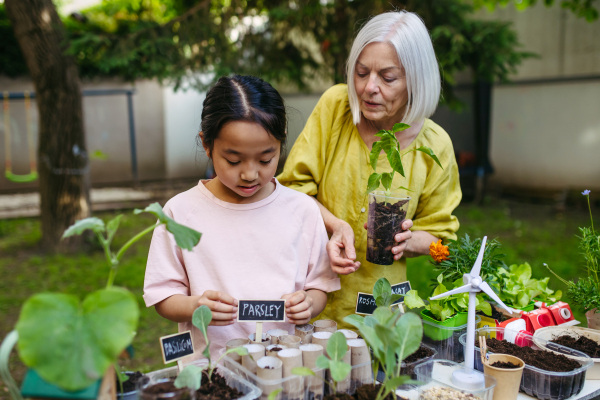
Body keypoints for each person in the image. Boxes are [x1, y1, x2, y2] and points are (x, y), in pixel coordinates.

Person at [278, 11, 462, 327]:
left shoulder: (436, 145)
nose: (369, 88)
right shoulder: (336, 107)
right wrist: (337, 226)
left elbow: (442, 245)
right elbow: (291, 192)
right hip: (309, 298)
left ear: (416, 80)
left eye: (388, 78)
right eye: (361, 73)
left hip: (379, 312)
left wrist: (413, 241)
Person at [143, 75, 340, 361]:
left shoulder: (303, 210)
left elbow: (320, 285)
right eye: (233, 160)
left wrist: (309, 303)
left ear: (281, 143)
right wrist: (196, 306)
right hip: (212, 372)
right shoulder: (179, 213)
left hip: (287, 369)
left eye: (265, 159)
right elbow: (163, 296)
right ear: (207, 145)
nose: (250, 174)